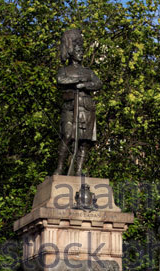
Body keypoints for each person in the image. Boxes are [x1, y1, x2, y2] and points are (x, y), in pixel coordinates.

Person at [55, 29, 102, 175]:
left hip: (86, 108)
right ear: (72, 52)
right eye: (78, 50)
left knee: (84, 142)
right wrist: (79, 81)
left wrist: (85, 85)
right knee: (67, 136)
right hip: (70, 106)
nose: (81, 53)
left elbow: (98, 83)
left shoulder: (88, 72)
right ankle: (60, 167)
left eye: (82, 51)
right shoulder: (65, 70)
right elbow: (61, 80)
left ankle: (80, 170)